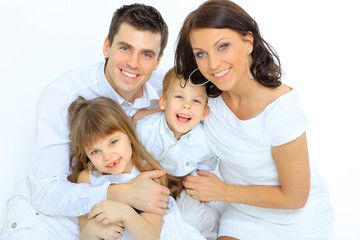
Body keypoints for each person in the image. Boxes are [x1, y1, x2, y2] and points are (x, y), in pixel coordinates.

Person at [1, 4, 170, 240]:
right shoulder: (62, 94)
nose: (133, 63)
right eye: (125, 48)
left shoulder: (167, 94)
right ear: (107, 46)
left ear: (158, 60)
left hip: (117, 220)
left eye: (146, 54)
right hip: (50, 218)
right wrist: (120, 193)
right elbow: (45, 193)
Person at [175, 0, 334, 240]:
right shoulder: (206, 98)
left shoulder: (281, 109)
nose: (213, 64)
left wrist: (224, 192)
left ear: (248, 42)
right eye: (201, 53)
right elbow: (166, 118)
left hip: (296, 218)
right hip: (243, 214)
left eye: (223, 46)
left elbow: (294, 198)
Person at [67, 96, 205, 240]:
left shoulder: (148, 174)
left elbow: (150, 235)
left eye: (113, 142)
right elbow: (85, 234)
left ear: (128, 133)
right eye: (95, 151)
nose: (107, 156)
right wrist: (92, 230)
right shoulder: (87, 178)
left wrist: (125, 213)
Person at [135, 67, 220, 239]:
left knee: (192, 219)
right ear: (163, 102)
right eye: (179, 97)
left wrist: (199, 183)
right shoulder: (145, 129)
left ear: (204, 112)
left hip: (182, 182)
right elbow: (134, 157)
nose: (186, 105)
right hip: (151, 180)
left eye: (196, 101)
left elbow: (206, 164)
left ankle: (214, 221)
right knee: (150, 220)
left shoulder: (205, 142)